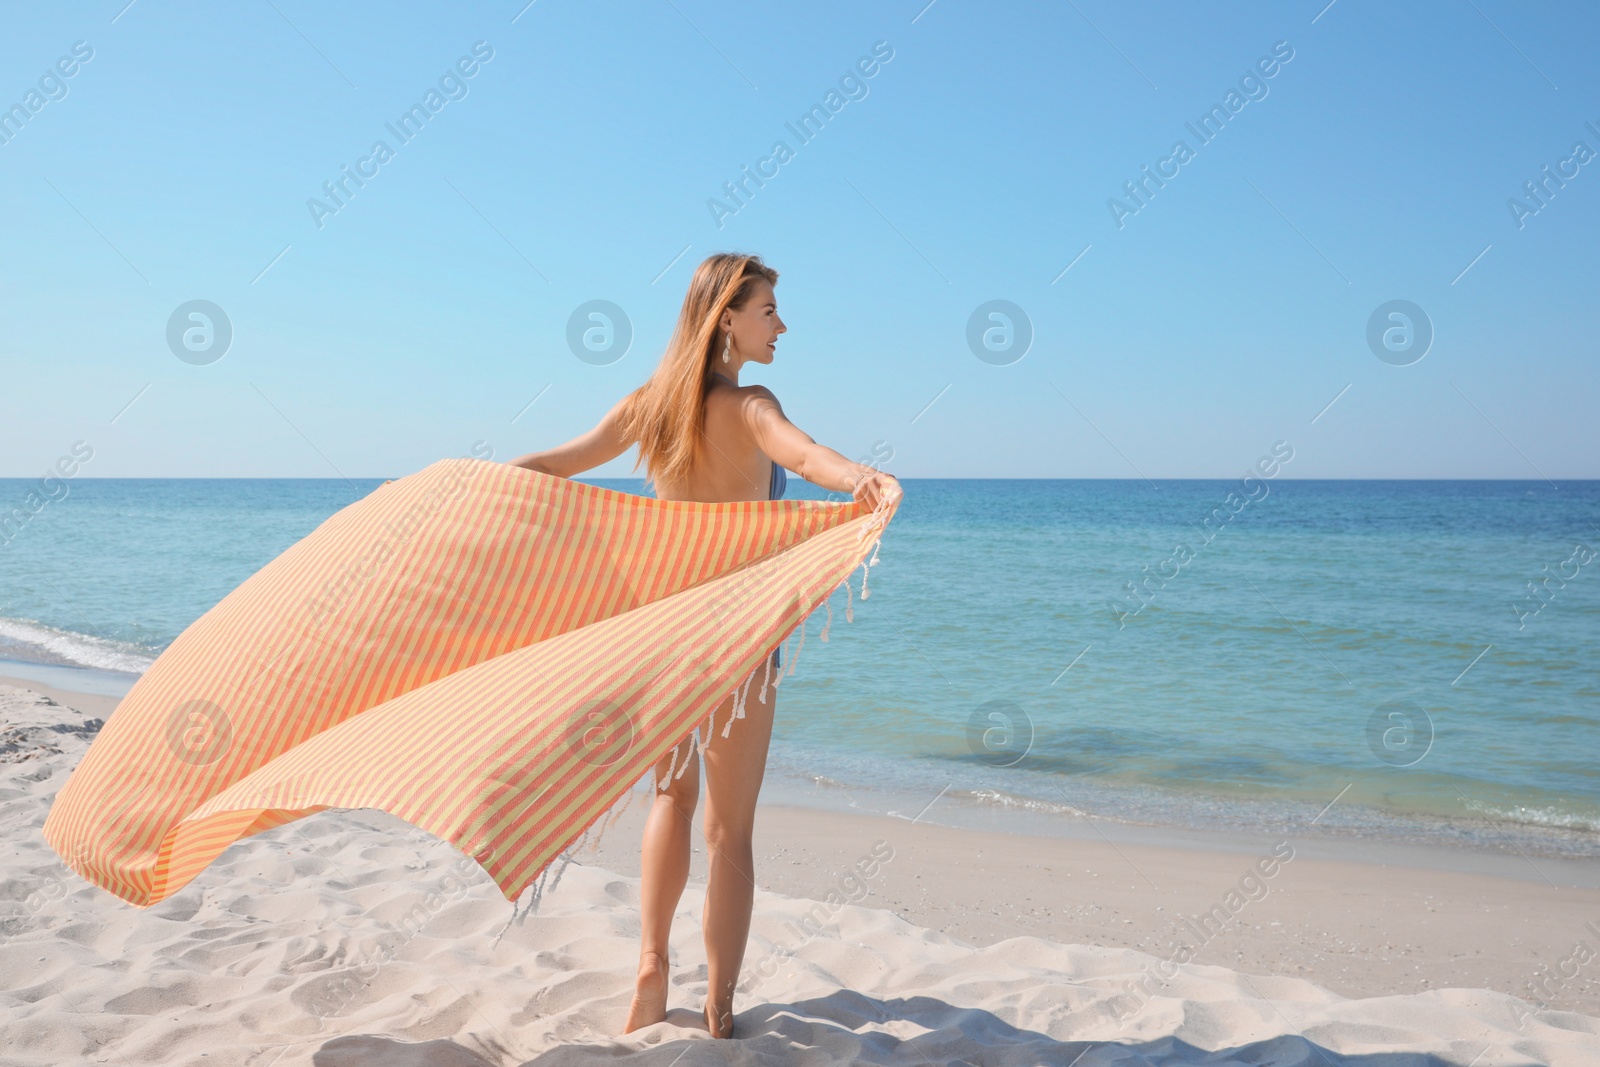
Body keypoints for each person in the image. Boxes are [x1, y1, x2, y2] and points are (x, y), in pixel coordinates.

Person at [506, 252, 897, 1038]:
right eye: (768, 310)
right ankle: (718, 1007)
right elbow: (806, 456)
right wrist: (867, 479)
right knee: (730, 830)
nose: (781, 326)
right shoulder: (753, 406)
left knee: (668, 799)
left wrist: (471, 481)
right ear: (727, 317)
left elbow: (556, 464)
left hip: (663, 636)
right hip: (738, 642)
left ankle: (650, 968)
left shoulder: (648, 408)